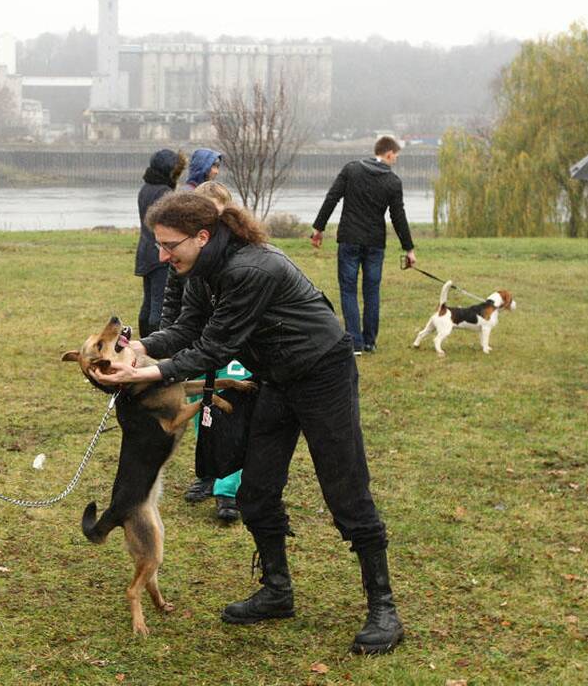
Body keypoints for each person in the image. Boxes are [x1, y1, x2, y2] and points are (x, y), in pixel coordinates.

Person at [92, 192, 405, 655]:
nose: (161, 256)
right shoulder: (201, 268)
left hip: (322, 372)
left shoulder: (251, 269)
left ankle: (383, 607)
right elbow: (187, 330)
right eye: (157, 245)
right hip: (274, 376)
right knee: (255, 491)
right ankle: (277, 591)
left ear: (202, 236)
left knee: (346, 491)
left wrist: (147, 373)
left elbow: (215, 348)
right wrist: (142, 349)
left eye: (168, 245)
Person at [170, 181, 250, 523]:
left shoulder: (241, 256)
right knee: (205, 411)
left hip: (234, 346)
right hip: (199, 347)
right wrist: (166, 341)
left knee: (231, 414)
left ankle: (228, 491)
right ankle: (209, 473)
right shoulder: (184, 257)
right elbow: (174, 303)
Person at [311, 135, 416, 354]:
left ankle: (355, 343)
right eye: (395, 155)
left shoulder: (351, 170)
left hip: (349, 238)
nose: (395, 160)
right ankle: (370, 341)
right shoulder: (393, 182)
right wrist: (409, 248)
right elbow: (398, 216)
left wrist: (318, 228)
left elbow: (332, 198)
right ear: (388, 153)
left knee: (348, 291)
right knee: (371, 292)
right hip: (375, 242)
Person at [135, 149, 186, 338]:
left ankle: (144, 340)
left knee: (148, 302)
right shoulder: (164, 192)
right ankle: (155, 343)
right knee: (159, 304)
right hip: (159, 253)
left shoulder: (145, 189)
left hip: (144, 251)